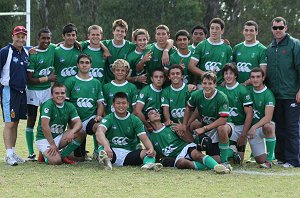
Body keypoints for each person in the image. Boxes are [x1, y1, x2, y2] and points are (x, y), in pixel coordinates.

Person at [146, 107, 230, 174]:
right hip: (177, 157)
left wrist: (183, 134)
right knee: (181, 163)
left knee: (197, 155)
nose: (155, 113)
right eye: (151, 113)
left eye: (156, 112)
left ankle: (218, 168)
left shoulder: (172, 126)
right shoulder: (151, 138)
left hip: (186, 148)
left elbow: (191, 140)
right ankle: (228, 155)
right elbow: (158, 155)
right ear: (148, 120)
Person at [95, 92, 163, 170]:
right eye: (118, 103)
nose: (121, 106)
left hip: (129, 154)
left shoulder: (135, 120)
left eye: (124, 103)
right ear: (113, 105)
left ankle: (148, 164)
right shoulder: (109, 118)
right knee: (101, 139)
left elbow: (144, 138)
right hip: (111, 152)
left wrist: (150, 149)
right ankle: (106, 161)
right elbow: (99, 132)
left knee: (150, 151)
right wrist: (106, 146)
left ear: (128, 104)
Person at [266, 17, 300, 168]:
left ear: (286, 27)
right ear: (271, 29)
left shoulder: (295, 44)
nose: (278, 30)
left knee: (292, 128)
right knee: (279, 127)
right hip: (275, 96)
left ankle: (293, 160)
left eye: (280, 27)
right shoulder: (269, 48)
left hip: (292, 94)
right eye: (275, 28)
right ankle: (281, 157)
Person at [182, 72, 233, 168]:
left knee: (221, 128)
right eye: (205, 83)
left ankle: (226, 160)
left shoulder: (221, 97)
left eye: (210, 83)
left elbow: (223, 120)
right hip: (208, 125)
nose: (207, 86)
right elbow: (189, 107)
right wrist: (185, 125)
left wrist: (204, 129)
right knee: (193, 125)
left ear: (215, 84)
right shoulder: (197, 94)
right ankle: (198, 153)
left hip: (224, 125)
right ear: (201, 84)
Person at [64, 54, 105, 161]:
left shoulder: (96, 82)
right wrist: (70, 121)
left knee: (99, 126)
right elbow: (66, 104)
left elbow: (100, 103)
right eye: (81, 62)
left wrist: (99, 116)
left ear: (91, 65)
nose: (84, 65)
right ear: (77, 65)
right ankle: (64, 153)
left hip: (90, 118)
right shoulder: (70, 81)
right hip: (76, 120)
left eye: (87, 62)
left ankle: (100, 152)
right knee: (80, 159)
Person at [25, 28, 57, 161]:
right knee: (31, 121)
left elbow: (64, 43)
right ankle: (31, 153)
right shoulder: (33, 54)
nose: (46, 41)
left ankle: (41, 152)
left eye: (48, 38)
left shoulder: (53, 48)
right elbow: (29, 79)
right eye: (43, 38)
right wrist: (47, 79)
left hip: (46, 92)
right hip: (32, 91)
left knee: (45, 122)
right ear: (38, 39)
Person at [35, 83, 84, 165]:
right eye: (57, 93)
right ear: (52, 95)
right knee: (56, 161)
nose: (60, 95)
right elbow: (44, 126)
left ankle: (63, 155)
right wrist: (52, 144)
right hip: (44, 139)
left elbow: (78, 123)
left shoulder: (69, 106)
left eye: (62, 93)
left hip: (58, 137)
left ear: (66, 94)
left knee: (80, 132)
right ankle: (44, 154)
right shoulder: (48, 104)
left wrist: (72, 132)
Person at [0, 26, 29, 166]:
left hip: (22, 92)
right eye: (18, 36)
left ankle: (13, 152)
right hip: (9, 91)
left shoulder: (26, 52)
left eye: (23, 36)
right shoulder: (5, 52)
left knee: (16, 122)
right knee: (9, 123)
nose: (20, 39)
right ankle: (8, 155)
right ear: (12, 36)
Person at [218, 63, 253, 164]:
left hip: (240, 126)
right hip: (227, 125)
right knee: (223, 128)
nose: (228, 76)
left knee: (238, 161)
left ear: (235, 75)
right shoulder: (220, 90)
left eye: (231, 73)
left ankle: (232, 151)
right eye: (226, 73)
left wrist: (243, 135)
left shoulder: (242, 90)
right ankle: (228, 151)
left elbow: (249, 114)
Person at [188, 18, 232, 85]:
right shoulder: (201, 45)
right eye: (212, 28)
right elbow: (191, 66)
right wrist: (204, 73)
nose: (214, 31)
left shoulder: (227, 48)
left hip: (220, 85)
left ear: (222, 31)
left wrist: (226, 80)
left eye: (217, 28)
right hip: (203, 85)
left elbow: (230, 68)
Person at [248, 67, 276, 168]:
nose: (255, 79)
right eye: (253, 77)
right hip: (253, 131)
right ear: (250, 79)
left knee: (269, 126)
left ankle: (269, 160)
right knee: (260, 160)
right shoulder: (247, 91)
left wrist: (254, 127)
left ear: (263, 78)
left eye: (258, 77)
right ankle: (268, 155)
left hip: (261, 127)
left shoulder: (268, 94)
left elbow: (268, 117)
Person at [232, 20, 267, 86]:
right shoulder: (237, 48)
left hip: (253, 89)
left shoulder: (262, 49)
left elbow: (263, 75)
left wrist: (246, 83)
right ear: (243, 32)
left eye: (251, 30)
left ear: (256, 32)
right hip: (238, 89)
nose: (248, 33)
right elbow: (231, 69)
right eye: (246, 30)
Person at [102, 19, 136, 83]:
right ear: (113, 31)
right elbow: (93, 41)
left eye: (122, 31)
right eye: (117, 30)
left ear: (125, 33)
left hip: (125, 83)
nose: (120, 33)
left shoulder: (131, 46)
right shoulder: (105, 44)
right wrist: (105, 49)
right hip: (108, 83)